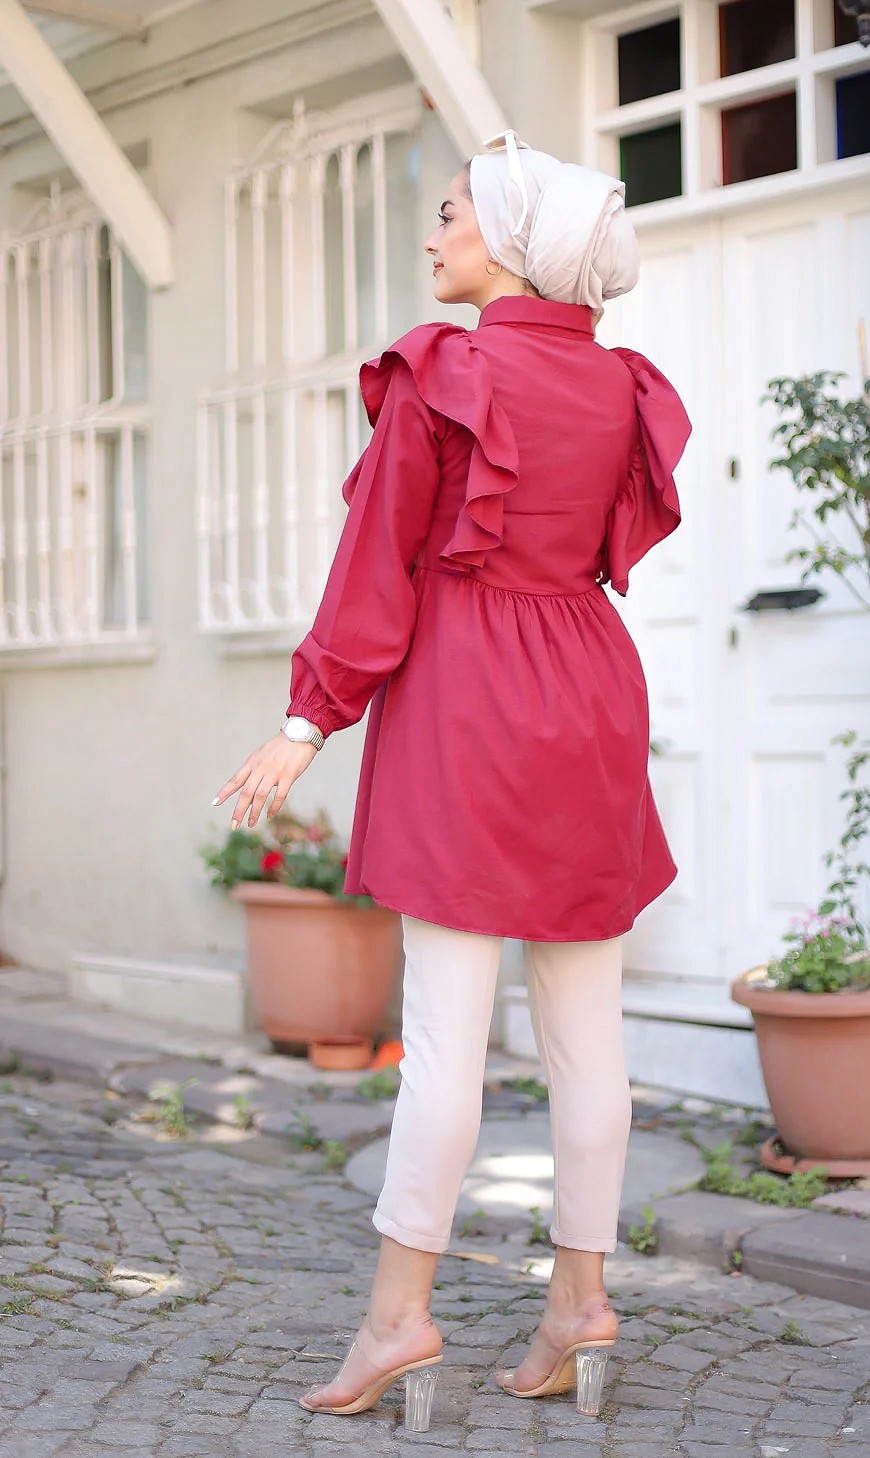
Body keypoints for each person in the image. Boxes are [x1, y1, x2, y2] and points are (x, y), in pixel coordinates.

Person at [213, 130, 692, 1432]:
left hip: (471, 702)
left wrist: (309, 719)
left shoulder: (449, 372)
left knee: (444, 1042)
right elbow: (606, 552)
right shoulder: (622, 386)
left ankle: (397, 1319)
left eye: (450, 213)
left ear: (512, 243)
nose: (432, 235)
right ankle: (581, 1304)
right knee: (589, 1037)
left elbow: (377, 565)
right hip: (590, 695)